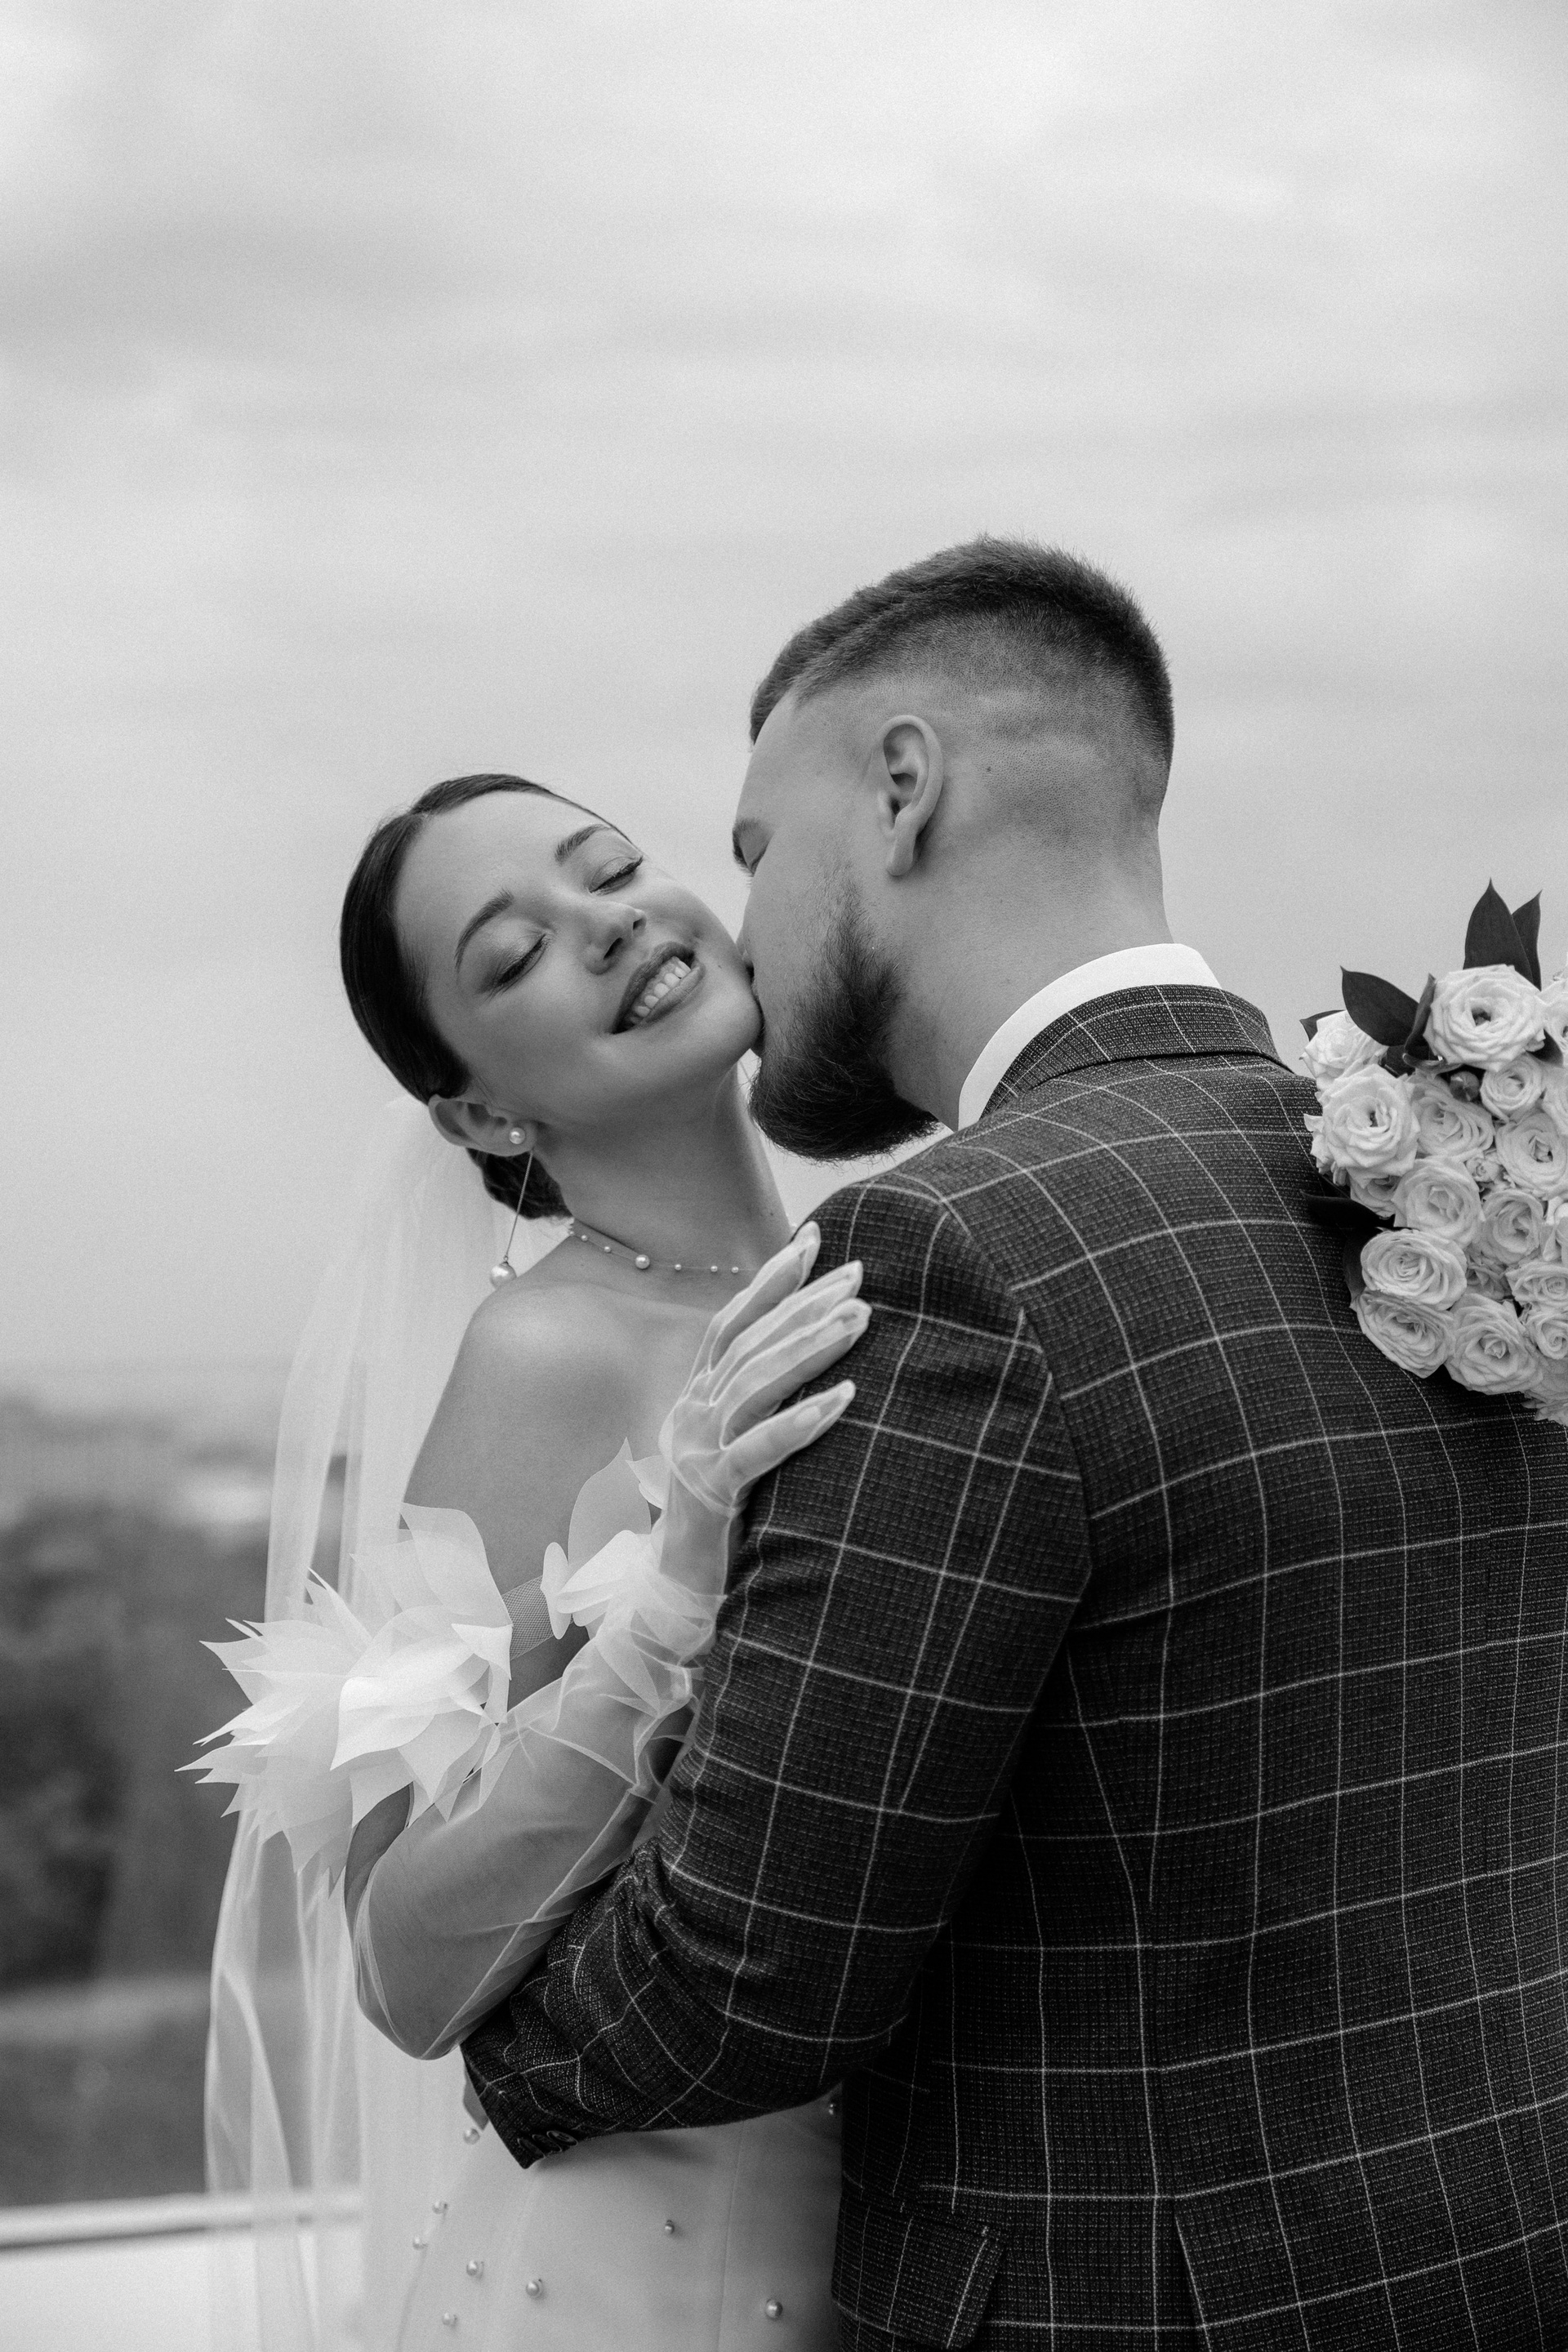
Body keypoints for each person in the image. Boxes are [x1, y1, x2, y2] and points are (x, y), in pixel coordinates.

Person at [462, 538, 1568, 2350]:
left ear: (901, 789)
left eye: (756, 849)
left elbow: (748, 1977)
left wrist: (465, 2025)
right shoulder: (1460, 1171)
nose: (740, 932)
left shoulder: (954, 1250)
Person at [201, 771, 868, 2351]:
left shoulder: (882, 1267)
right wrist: (670, 1600)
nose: (607, 925)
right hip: (662, 2257)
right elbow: (402, 1966)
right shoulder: (544, 1350)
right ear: (486, 1117)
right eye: (514, 955)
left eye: (610, 869)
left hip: (923, 2215)